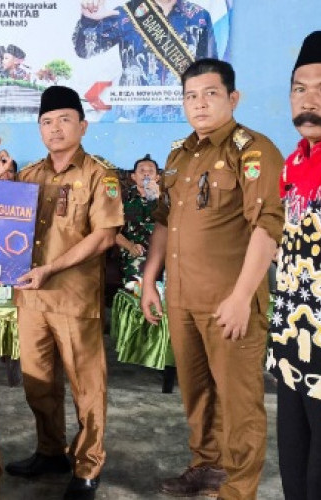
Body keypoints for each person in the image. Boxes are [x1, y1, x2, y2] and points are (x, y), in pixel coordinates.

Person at [140, 59, 284, 499]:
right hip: (183, 300)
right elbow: (164, 222)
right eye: (190, 96)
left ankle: (239, 491)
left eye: (210, 94)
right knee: (197, 396)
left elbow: (268, 225)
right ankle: (206, 467)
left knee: (239, 406)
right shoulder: (178, 155)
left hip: (230, 303)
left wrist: (242, 296)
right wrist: (150, 280)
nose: (199, 104)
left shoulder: (253, 151)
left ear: (232, 98)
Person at [0, 86, 124, 500]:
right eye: (47, 122)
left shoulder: (101, 175)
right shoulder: (28, 176)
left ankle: (87, 467)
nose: (55, 128)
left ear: (82, 124)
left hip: (74, 300)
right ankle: (50, 450)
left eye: (64, 119)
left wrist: (50, 269)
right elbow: (0, 225)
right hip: (33, 301)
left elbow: (104, 237)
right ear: (40, 129)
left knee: (87, 386)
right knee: (38, 383)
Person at [268, 31, 321, 500]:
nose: (310, 100)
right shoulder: (293, 164)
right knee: (294, 463)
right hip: (292, 343)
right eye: (300, 88)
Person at [73, 0, 217, 121]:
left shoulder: (199, 16)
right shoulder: (126, 14)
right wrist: (89, 21)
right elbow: (85, 50)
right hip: (134, 119)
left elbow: (210, 74)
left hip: (183, 119)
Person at [115, 153, 160, 285]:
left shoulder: (167, 199)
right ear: (133, 177)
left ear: (157, 177)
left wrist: (159, 198)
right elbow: (111, 231)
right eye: (142, 171)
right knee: (138, 280)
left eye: (150, 171)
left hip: (163, 250)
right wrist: (130, 246)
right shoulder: (123, 198)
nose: (146, 174)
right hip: (136, 250)